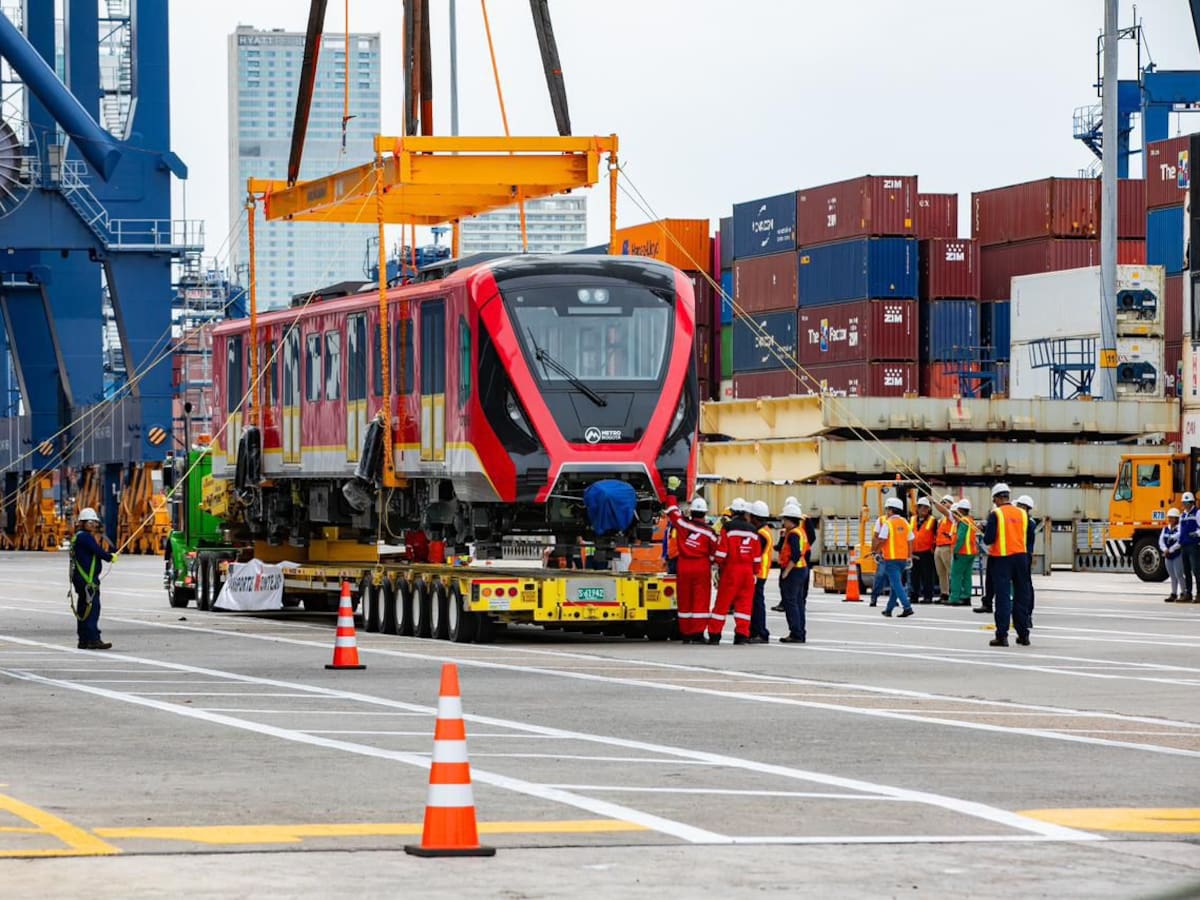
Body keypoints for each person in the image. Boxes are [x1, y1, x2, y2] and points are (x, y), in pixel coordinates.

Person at [982, 482, 1032, 647]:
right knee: (1021, 596)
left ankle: (1002, 636)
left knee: (1003, 597)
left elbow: (988, 539)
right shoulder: (1023, 514)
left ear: (996, 498)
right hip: (1021, 557)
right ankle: (1023, 634)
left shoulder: (996, 514)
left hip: (1002, 559)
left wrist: (985, 529)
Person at [664, 496, 717, 643]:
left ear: (691, 512)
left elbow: (672, 511)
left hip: (683, 565)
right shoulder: (710, 532)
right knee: (701, 600)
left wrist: (671, 494)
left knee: (684, 600)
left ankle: (686, 634)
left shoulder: (682, 523)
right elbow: (716, 553)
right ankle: (697, 633)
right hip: (701, 566)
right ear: (705, 513)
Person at [709, 498, 761, 645]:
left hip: (731, 570)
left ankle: (714, 635)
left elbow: (722, 552)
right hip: (748, 572)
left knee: (722, 604)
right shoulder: (753, 530)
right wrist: (755, 572)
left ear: (732, 512)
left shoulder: (728, 527)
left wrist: (715, 565)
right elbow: (757, 556)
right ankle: (741, 635)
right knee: (744, 605)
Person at [70, 507, 115, 650]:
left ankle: (83, 640)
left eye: (94, 522)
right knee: (92, 609)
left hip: (81, 579)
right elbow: (97, 551)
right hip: (87, 580)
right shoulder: (85, 537)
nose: (93, 525)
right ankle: (93, 639)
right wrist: (109, 557)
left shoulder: (78, 536)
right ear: (82, 523)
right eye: (90, 522)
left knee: (84, 609)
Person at [875, 497, 914, 618]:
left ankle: (907, 607)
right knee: (895, 585)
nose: (886, 512)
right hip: (902, 559)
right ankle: (889, 609)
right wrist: (909, 556)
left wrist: (876, 552)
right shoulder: (905, 522)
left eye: (887, 509)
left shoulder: (888, 524)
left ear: (891, 510)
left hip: (891, 559)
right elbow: (910, 540)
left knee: (896, 584)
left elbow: (882, 539)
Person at [777, 502, 810, 643]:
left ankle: (795, 632)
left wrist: (786, 572)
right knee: (798, 602)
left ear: (790, 520)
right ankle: (800, 632)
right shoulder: (800, 532)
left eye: (785, 520)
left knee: (790, 602)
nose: (783, 522)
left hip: (794, 571)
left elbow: (795, 554)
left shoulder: (793, 535)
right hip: (802, 569)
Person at [749, 500, 773, 643]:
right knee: (756, 602)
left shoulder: (761, 534)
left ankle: (760, 632)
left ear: (755, 518)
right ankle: (757, 631)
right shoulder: (765, 531)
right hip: (761, 572)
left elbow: (755, 553)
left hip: (758, 573)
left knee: (757, 604)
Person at [948, 499, 977, 606]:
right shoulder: (971, 520)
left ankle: (955, 598)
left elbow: (960, 538)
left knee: (956, 575)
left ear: (960, 510)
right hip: (971, 552)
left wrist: (955, 551)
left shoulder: (963, 521)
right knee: (967, 575)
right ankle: (966, 597)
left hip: (962, 552)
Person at [909, 497, 937, 604]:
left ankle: (927, 596)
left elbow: (936, 535)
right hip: (915, 551)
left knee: (927, 575)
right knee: (914, 575)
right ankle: (914, 596)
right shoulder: (912, 519)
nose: (924, 510)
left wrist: (933, 548)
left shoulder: (933, 520)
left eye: (926, 508)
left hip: (927, 552)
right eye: (922, 507)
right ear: (918, 508)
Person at [1015, 494, 1038, 621]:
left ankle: (1026, 613)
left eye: (1019, 506)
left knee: (1025, 585)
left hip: (1023, 555)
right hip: (1023, 555)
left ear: (1025, 507)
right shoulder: (1029, 521)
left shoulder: (1028, 522)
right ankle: (1024, 613)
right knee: (1024, 584)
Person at [933, 494, 956, 603]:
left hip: (947, 546)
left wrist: (934, 501)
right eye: (942, 502)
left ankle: (955, 592)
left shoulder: (951, 516)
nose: (943, 504)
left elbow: (943, 510)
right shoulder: (942, 519)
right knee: (941, 572)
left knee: (951, 571)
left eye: (945, 502)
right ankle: (944, 593)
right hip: (939, 546)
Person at [1178, 492, 1200, 602]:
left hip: (1193, 545)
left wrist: (1197, 533)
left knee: (1196, 569)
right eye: (1184, 503)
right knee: (1186, 571)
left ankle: (1199, 593)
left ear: (1192, 502)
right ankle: (1188, 593)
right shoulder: (1182, 515)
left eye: (1188, 502)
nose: (1185, 504)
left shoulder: (1197, 513)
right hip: (1184, 545)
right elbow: (1180, 530)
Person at [1161, 507, 1184, 602]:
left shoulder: (1179, 529)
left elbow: (1180, 542)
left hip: (1177, 554)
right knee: (1172, 575)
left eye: (1172, 517)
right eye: (1169, 517)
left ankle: (1183, 592)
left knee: (1179, 574)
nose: (1170, 519)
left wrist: (1170, 550)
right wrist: (1165, 549)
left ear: (1177, 519)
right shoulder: (1165, 529)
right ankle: (1173, 593)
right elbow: (1161, 541)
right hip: (1168, 555)